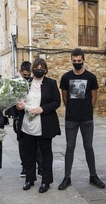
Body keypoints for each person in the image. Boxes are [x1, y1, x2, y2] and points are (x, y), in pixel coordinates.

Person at [58, 48, 105, 190]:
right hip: (71, 118)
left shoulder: (91, 77)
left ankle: (93, 176)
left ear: (83, 60)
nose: (77, 63)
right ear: (71, 60)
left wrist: (86, 110)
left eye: (79, 61)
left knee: (88, 147)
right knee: (70, 147)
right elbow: (64, 97)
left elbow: (94, 97)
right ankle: (67, 177)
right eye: (74, 61)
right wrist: (72, 109)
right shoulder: (66, 77)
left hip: (87, 119)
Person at [15, 58, 61, 193]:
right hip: (27, 124)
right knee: (29, 152)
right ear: (32, 69)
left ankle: (46, 181)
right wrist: (18, 106)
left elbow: (56, 102)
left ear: (45, 69)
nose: (38, 70)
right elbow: (18, 101)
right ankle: (29, 179)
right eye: (36, 67)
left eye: (41, 67)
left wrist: (42, 109)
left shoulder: (51, 83)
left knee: (46, 153)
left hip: (44, 123)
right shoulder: (25, 84)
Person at [13, 61, 43, 177]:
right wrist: (16, 105)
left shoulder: (34, 83)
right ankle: (25, 167)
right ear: (20, 72)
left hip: (34, 115)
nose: (26, 77)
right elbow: (11, 101)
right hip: (20, 117)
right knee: (23, 144)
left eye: (28, 75)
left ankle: (40, 166)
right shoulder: (16, 83)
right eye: (24, 75)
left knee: (38, 144)